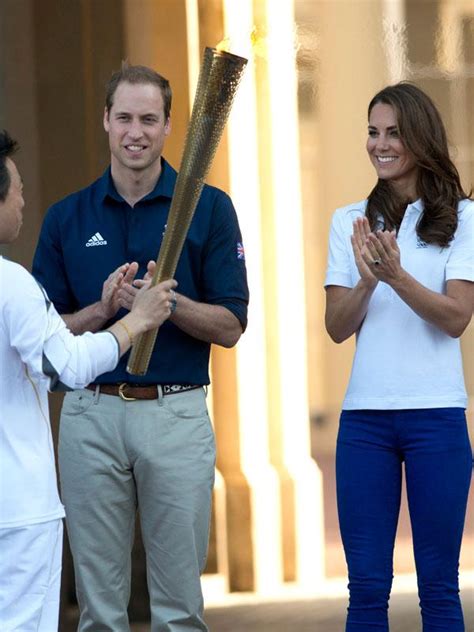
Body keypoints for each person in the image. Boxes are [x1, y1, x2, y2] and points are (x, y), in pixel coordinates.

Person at [32, 63, 249, 631]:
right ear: (105, 121)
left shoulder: (209, 208)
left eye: (149, 119)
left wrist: (166, 304)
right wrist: (104, 312)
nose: (136, 131)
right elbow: (45, 341)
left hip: (175, 413)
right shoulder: (66, 217)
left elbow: (231, 325)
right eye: (124, 117)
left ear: (169, 125)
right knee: (100, 613)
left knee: (179, 612)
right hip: (90, 415)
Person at [0, 129, 176, 632]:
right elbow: (65, 367)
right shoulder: (11, 282)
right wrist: (133, 321)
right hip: (17, 512)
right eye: (15, 189)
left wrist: (100, 310)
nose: (23, 199)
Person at [324, 82, 473, 632]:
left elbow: (456, 317)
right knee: (365, 589)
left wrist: (396, 276)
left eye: (393, 133)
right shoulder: (350, 221)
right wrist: (366, 283)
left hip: (437, 418)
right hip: (364, 422)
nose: (380, 144)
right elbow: (337, 328)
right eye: (372, 132)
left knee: (439, 587)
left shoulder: (463, 218)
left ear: (420, 139)